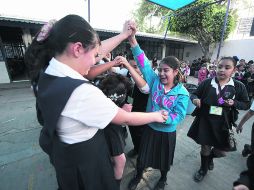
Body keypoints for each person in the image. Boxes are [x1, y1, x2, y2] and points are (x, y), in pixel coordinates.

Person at [24, 15, 168, 190]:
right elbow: (125, 118)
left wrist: (123, 35)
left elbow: (93, 51)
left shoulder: (46, 72)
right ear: (77, 49)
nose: (95, 61)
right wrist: (157, 115)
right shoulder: (81, 92)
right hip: (86, 164)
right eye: (94, 55)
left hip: (66, 160)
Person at [123, 22, 189, 190]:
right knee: (143, 157)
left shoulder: (182, 93)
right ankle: (138, 175)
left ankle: (163, 178)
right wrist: (132, 39)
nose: (161, 73)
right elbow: (143, 62)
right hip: (149, 129)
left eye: (166, 70)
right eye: (159, 69)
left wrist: (165, 118)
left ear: (175, 72)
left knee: (164, 159)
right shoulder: (154, 82)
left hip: (167, 133)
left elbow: (180, 115)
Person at [187, 57, 250, 183]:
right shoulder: (207, 82)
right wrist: (194, 99)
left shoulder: (238, 86)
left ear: (234, 70)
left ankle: (210, 158)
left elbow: (246, 104)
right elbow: (194, 94)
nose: (222, 70)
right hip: (205, 120)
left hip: (224, 122)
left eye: (227, 67)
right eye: (220, 66)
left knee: (222, 152)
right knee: (205, 146)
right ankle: (203, 169)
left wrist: (234, 103)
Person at [98, 73, 133, 188]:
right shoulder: (101, 97)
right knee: (120, 160)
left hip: (116, 127)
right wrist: (121, 112)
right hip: (110, 128)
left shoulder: (125, 88)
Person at [126, 55, 149, 158]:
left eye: (135, 67)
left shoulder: (148, 79)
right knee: (133, 133)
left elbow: (144, 89)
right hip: (130, 112)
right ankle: (136, 149)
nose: (131, 70)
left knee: (142, 136)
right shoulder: (127, 75)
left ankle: (143, 155)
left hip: (142, 114)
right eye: (129, 66)